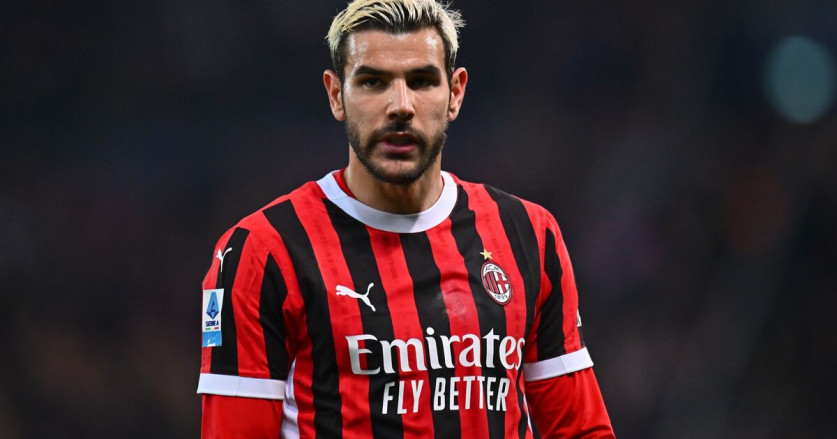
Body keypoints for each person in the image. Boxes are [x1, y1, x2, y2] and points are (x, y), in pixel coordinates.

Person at [197, 0, 615, 437]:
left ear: (455, 93)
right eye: (373, 82)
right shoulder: (263, 251)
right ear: (337, 95)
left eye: (421, 81)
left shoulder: (528, 233)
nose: (400, 105)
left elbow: (581, 430)